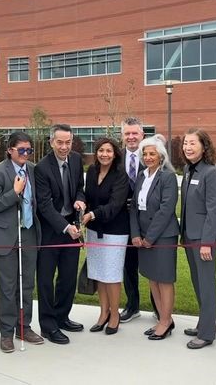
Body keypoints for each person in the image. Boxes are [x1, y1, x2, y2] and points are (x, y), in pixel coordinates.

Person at [0, 131, 44, 353]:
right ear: (10, 150)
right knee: (8, 287)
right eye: (21, 150)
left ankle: (24, 327)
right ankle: (6, 332)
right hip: (6, 236)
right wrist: (15, 192)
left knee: (27, 284)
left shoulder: (32, 169)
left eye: (29, 150)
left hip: (29, 232)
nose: (26, 154)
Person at [35, 123, 86, 344]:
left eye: (68, 142)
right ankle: (48, 325)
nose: (64, 147)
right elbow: (44, 206)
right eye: (60, 142)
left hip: (71, 226)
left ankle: (62, 317)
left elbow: (80, 187)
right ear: (51, 142)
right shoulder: (42, 168)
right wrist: (65, 228)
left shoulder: (75, 160)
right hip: (50, 230)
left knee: (67, 277)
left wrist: (80, 199)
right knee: (46, 279)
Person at [129, 136, 179, 341]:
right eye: (145, 154)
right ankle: (163, 318)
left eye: (152, 154)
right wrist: (135, 234)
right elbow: (134, 207)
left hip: (163, 237)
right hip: (142, 237)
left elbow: (166, 210)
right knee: (152, 278)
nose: (148, 157)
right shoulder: (142, 175)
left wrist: (149, 238)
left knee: (164, 280)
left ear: (161, 156)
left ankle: (166, 321)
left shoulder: (167, 177)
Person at [81, 137, 129, 335]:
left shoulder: (120, 174)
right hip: (94, 230)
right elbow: (87, 194)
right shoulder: (92, 171)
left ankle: (115, 315)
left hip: (114, 232)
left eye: (108, 151)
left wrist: (92, 214)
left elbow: (116, 204)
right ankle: (103, 313)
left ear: (115, 153)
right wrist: (81, 203)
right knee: (99, 273)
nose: (104, 154)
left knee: (112, 275)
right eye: (101, 150)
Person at [180, 128, 216, 349]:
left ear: (204, 147)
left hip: (203, 239)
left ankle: (207, 334)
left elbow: (213, 210)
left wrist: (207, 241)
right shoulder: (188, 169)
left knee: (206, 285)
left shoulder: (210, 173)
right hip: (189, 235)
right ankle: (203, 322)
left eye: (192, 143)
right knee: (197, 283)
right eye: (186, 143)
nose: (188, 147)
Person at [119, 117, 158, 322]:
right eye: (127, 133)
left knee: (153, 264)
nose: (131, 137)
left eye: (135, 133)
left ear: (142, 135)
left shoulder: (151, 156)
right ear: (122, 136)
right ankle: (132, 305)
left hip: (149, 221)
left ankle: (158, 307)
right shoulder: (116, 157)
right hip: (123, 220)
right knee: (128, 265)